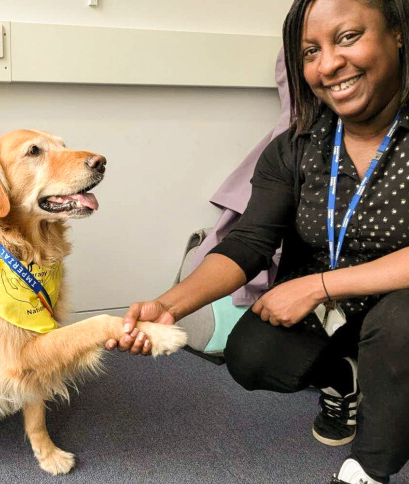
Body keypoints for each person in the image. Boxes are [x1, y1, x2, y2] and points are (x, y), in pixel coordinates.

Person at [108, 0, 409, 482]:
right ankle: (346, 377)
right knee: (252, 354)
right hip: (338, 315)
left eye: (348, 38)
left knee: (401, 327)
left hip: (399, 306)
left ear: (397, 33)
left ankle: (368, 470)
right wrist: (170, 305)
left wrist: (318, 286)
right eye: (310, 51)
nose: (328, 64)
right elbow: (250, 240)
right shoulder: (297, 146)